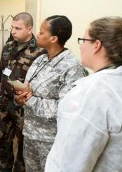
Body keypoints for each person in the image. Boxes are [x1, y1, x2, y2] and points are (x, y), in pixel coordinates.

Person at [45, 16, 122, 172]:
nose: (81, 46)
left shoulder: (91, 94)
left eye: (83, 40)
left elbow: (68, 165)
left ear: (96, 45)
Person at [14, 15, 87, 172]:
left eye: (41, 32)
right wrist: (21, 97)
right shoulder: (40, 60)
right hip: (30, 134)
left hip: (52, 140)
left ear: (53, 38)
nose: (38, 35)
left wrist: (31, 100)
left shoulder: (72, 68)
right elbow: (28, 90)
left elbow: (67, 108)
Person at [0, 12, 43, 172]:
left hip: (24, 107)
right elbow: (0, 72)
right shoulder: (8, 46)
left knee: (24, 145)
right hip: (4, 105)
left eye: (18, 28)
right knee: (2, 143)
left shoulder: (40, 51)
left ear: (29, 29)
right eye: (12, 27)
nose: (13, 31)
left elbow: (41, 82)